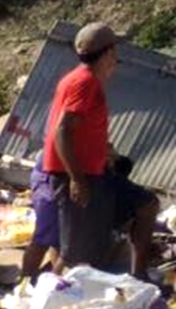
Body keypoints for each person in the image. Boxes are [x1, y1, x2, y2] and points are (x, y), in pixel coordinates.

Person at [42, 22, 151, 278]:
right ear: (109, 52)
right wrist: (77, 180)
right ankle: (48, 299)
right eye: (115, 49)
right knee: (76, 255)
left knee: (146, 205)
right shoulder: (85, 82)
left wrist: (104, 150)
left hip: (96, 173)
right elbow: (63, 130)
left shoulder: (81, 80)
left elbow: (78, 130)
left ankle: (139, 278)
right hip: (79, 177)